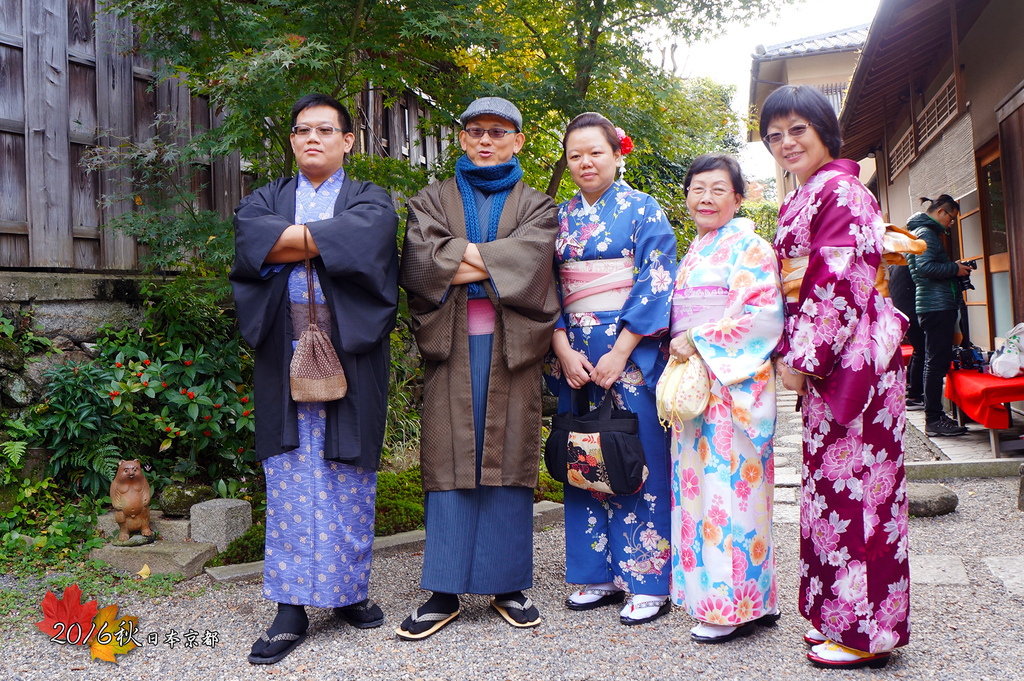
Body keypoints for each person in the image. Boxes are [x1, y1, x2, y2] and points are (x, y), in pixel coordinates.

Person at [230, 93, 400, 664]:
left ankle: (348, 592)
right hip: (284, 350)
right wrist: (330, 240)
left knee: (348, 471)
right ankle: (291, 606)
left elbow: (368, 241)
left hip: (350, 349)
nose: (312, 139)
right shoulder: (265, 198)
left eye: (326, 130)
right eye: (302, 130)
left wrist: (291, 241)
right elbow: (251, 242)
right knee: (289, 474)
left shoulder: (371, 199)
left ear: (348, 140)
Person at [397, 97, 560, 639]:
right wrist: (496, 258)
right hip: (453, 346)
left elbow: (534, 262)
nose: (485, 140)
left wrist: (463, 258)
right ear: (462, 139)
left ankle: (507, 584)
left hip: (514, 349)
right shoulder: (431, 198)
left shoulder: (538, 204)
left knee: (509, 454)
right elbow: (420, 262)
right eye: (475, 131)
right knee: (448, 455)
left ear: (518, 140)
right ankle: (443, 590)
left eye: (498, 131)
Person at [760, 85, 910, 670]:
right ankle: (836, 616)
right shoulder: (805, 196)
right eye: (775, 135)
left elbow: (838, 280)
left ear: (825, 128)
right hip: (836, 357)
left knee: (862, 494)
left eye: (798, 129)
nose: (785, 143)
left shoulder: (842, 191)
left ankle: (866, 633)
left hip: (856, 359)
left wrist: (802, 358)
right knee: (832, 491)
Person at [548, 112, 676, 626]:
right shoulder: (557, 217)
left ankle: (648, 580)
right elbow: (542, 287)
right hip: (575, 355)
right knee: (586, 451)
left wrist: (622, 351)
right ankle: (593, 574)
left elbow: (656, 280)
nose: (585, 163)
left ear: (617, 155)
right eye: (575, 154)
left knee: (638, 455)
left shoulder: (644, 211)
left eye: (595, 152)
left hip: (628, 352)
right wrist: (559, 345)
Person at [666, 153, 785, 643]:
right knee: (702, 494)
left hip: (731, 387)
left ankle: (731, 608)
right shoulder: (694, 250)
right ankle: (748, 601)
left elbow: (762, 316)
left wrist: (697, 338)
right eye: (697, 189)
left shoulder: (751, 247)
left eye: (719, 189)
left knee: (730, 495)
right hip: (697, 386)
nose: (706, 198)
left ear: (738, 198)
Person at [906, 195, 970, 437]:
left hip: (934, 305)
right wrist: (955, 268)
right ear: (942, 211)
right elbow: (924, 268)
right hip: (936, 306)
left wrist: (954, 267)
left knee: (935, 362)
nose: (951, 224)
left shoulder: (920, 232)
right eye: (952, 218)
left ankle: (935, 417)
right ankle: (933, 419)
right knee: (935, 364)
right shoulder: (926, 233)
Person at [887, 263, 924, 411]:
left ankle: (912, 389)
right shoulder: (910, 264)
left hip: (901, 313)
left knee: (919, 350)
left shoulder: (893, 266)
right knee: (922, 351)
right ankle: (914, 395)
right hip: (912, 312)